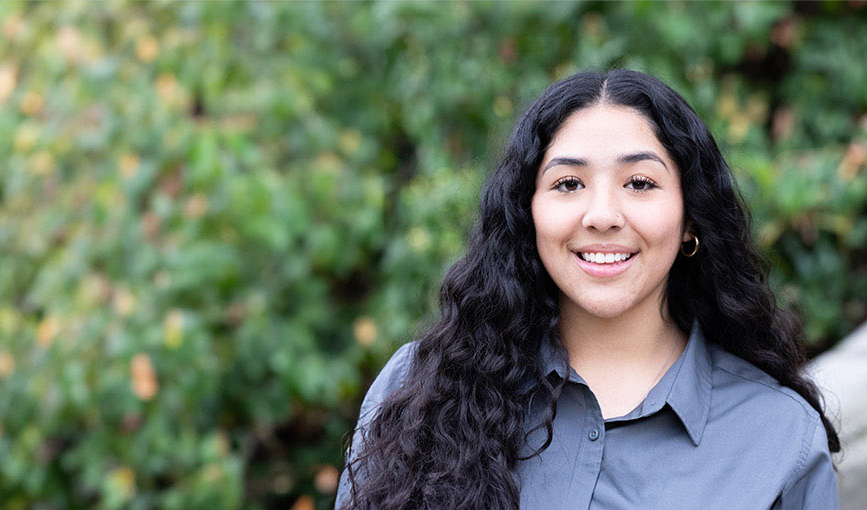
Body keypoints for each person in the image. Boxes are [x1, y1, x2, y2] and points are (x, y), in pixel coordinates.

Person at [336, 69, 840, 510]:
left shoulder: (780, 437)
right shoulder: (418, 389)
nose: (601, 216)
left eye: (639, 183)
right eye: (568, 184)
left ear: (691, 217)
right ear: (526, 212)